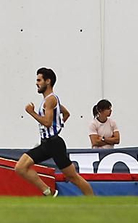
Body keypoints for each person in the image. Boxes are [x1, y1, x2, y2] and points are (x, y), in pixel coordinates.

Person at [15, 68, 94, 197]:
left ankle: (93, 200)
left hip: (54, 144)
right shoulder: (49, 100)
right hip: (46, 143)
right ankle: (49, 192)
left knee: (73, 177)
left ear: (48, 81)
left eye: (39, 80)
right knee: (20, 167)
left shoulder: (50, 100)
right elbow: (66, 114)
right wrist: (59, 125)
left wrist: (32, 113)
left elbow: (47, 122)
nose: (37, 83)